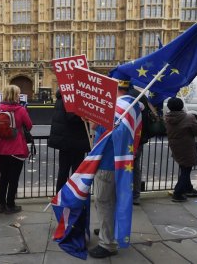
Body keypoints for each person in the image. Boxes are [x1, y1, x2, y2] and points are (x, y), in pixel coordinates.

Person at [89, 80, 143, 258]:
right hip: (121, 163)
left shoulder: (116, 109)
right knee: (111, 200)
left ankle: (107, 243)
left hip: (107, 163)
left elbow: (99, 129)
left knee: (104, 202)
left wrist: (93, 121)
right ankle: (108, 232)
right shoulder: (133, 106)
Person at [0, 85, 33, 214]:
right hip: (17, 148)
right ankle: (10, 205)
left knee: (4, 177)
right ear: (15, 95)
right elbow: (29, 126)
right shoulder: (21, 110)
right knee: (13, 178)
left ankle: (1, 204)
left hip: (1, 148)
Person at [48, 89, 91, 193]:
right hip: (74, 140)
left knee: (63, 170)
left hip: (65, 140)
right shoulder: (71, 97)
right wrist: (86, 116)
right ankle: (72, 196)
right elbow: (72, 117)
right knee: (75, 172)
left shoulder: (61, 96)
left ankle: (60, 195)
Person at [164, 97, 197, 202]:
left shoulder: (167, 117)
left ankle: (188, 189)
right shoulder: (189, 117)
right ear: (181, 106)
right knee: (186, 170)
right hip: (187, 146)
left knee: (184, 167)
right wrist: (196, 122)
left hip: (175, 146)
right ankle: (178, 193)